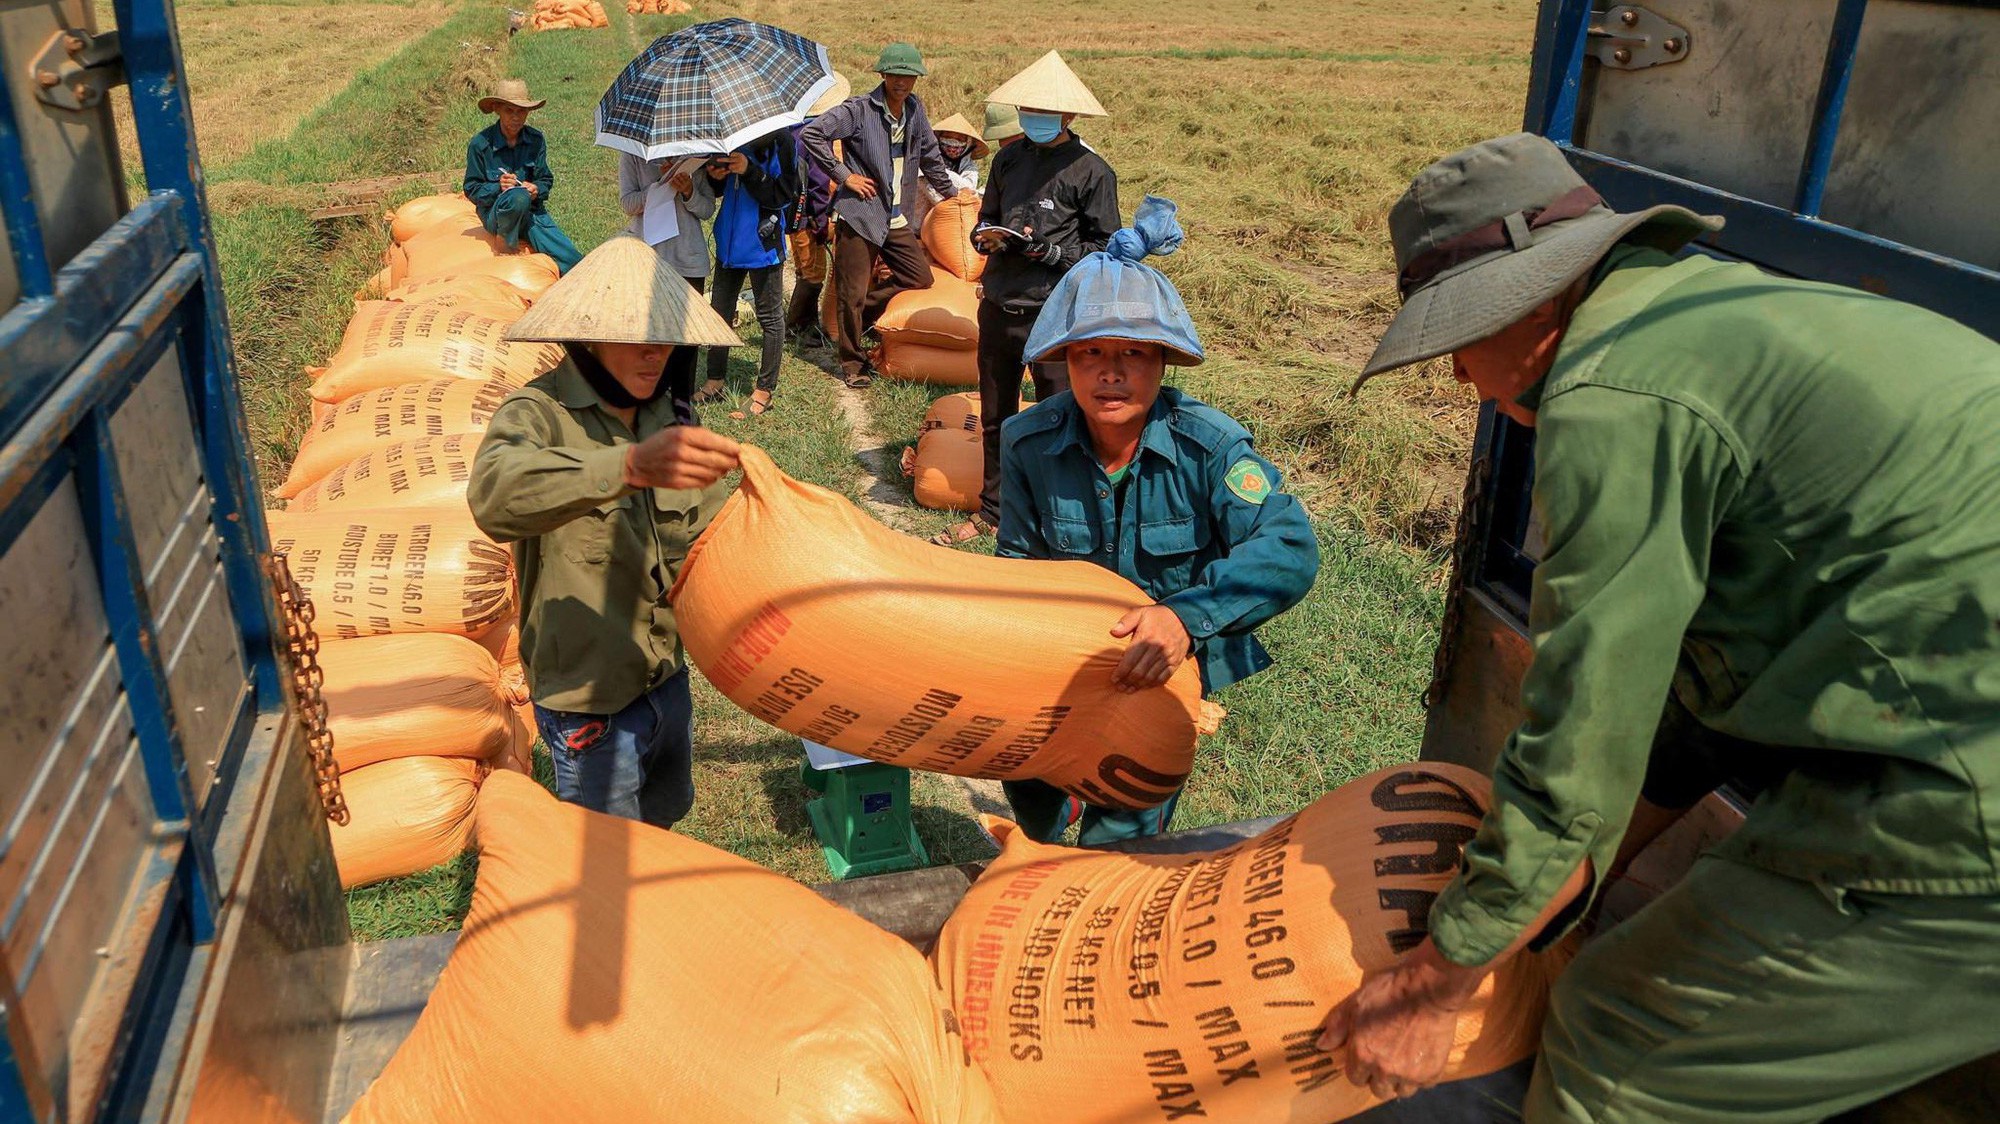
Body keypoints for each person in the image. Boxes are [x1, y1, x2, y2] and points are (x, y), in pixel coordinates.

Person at [1325, 132, 2000, 1120]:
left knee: (1615, 1044)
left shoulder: (1611, 398)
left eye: (1457, 339)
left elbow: (1585, 728)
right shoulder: (1714, 315)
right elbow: (1696, 697)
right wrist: (1561, 899)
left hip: (1964, 798)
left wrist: (1437, 979)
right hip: (1944, 718)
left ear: (1529, 301)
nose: (1461, 377)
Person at [993, 196, 1319, 844]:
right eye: (1091, 353)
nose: (1111, 374)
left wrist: (1183, 619)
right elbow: (1018, 564)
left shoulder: (1210, 446)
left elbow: (1290, 546)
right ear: (1065, 360)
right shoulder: (1027, 441)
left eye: (1134, 354)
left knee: (1120, 844)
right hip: (1059, 662)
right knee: (1032, 803)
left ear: (1163, 361)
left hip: (1160, 673)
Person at [468, 236, 746, 827]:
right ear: (588, 337)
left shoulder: (668, 416)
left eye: (664, 338)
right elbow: (494, 497)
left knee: (665, 815)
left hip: (664, 675)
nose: (654, 354)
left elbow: (710, 534)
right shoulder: (536, 415)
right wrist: (627, 467)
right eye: (634, 337)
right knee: (606, 850)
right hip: (588, 699)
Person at [938, 50, 1120, 547]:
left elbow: (1107, 249)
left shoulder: (1091, 172)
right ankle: (994, 511)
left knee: (1060, 418)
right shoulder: (1008, 159)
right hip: (1000, 305)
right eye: (1027, 109)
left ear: (1068, 115)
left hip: (1054, 314)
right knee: (996, 415)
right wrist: (984, 238)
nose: (1033, 118)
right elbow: (986, 216)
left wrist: (1052, 252)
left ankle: (1059, 519)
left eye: (1044, 111)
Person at [798, 43, 965, 388]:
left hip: (895, 218)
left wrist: (953, 196)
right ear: (883, 75)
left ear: (916, 79)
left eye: (908, 76)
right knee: (851, 292)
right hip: (861, 215)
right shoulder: (859, 110)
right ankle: (852, 364)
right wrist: (845, 175)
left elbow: (930, 156)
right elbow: (813, 134)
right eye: (895, 75)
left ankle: (863, 317)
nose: (901, 82)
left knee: (919, 276)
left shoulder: (914, 109)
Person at [698, 131, 800, 418]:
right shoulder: (732, 137)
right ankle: (715, 381)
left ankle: (764, 391)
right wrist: (716, 176)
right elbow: (721, 190)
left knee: (770, 317)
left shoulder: (783, 142)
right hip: (729, 244)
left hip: (762, 246)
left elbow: (783, 195)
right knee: (719, 312)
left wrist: (749, 170)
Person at [462, 79, 583, 274]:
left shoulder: (536, 140)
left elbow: (545, 179)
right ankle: (505, 245)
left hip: (531, 213)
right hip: (496, 214)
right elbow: (471, 189)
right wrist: (498, 187)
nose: (516, 117)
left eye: (521, 111)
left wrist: (537, 189)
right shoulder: (480, 144)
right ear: (497, 109)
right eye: (509, 111)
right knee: (517, 196)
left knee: (573, 261)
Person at [787, 74, 851, 352]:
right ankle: (797, 327)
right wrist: (822, 221)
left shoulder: (793, 128)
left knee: (804, 270)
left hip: (792, 211)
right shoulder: (818, 135)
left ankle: (806, 324)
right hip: (808, 215)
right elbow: (820, 183)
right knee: (813, 273)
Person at [617, 151, 715, 291]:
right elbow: (628, 204)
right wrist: (662, 184)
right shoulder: (633, 154)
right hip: (646, 258)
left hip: (688, 261)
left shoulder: (696, 151)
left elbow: (707, 210)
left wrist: (689, 192)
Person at [924, 113, 989, 198]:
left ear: (968, 144)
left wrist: (938, 170)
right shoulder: (927, 159)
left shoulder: (970, 167)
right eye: (947, 137)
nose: (952, 144)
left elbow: (968, 187)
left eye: (959, 139)